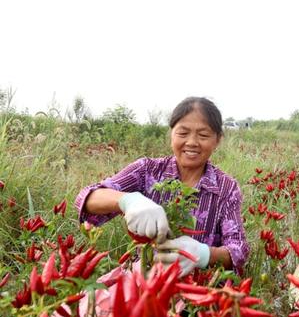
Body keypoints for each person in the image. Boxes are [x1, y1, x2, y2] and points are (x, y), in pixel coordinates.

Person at [75, 96, 249, 275]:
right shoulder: (147, 170)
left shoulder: (226, 188)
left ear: (217, 140)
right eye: (182, 133)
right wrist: (128, 200)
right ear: (171, 134)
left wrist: (204, 254)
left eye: (203, 135)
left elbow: (239, 250)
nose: (191, 142)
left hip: (198, 285)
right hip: (145, 276)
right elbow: (87, 198)